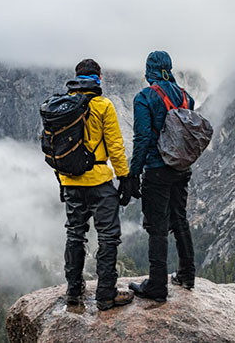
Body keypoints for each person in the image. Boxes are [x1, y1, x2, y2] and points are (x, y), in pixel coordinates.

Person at [59, 58, 134, 310]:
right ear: (98, 78)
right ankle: (105, 295)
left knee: (74, 235)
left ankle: (73, 292)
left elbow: (55, 150)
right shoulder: (103, 105)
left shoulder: (61, 107)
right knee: (108, 238)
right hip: (100, 182)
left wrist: (62, 181)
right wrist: (124, 178)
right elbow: (115, 146)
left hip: (70, 181)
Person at [127, 51, 196, 303]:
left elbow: (143, 138)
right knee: (180, 219)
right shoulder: (187, 98)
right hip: (181, 168)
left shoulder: (145, 98)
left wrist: (133, 173)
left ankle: (157, 286)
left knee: (157, 227)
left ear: (150, 70)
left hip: (157, 170)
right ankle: (187, 276)